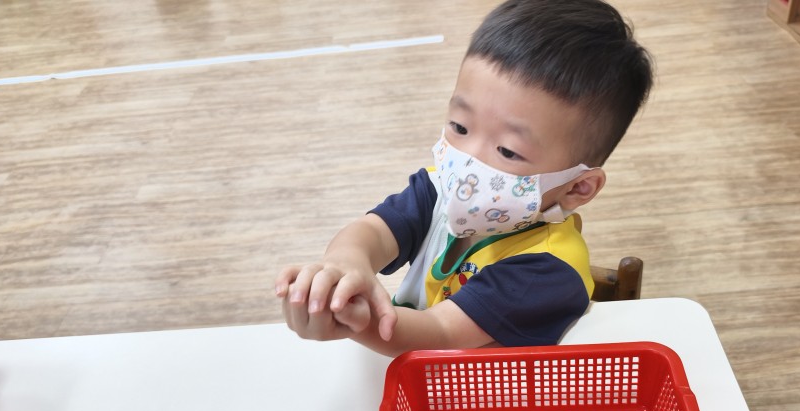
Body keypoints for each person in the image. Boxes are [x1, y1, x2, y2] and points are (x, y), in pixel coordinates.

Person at [275, 0, 653, 357]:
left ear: (577, 187)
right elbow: (373, 231)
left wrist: (353, 319)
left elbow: (439, 335)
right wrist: (345, 264)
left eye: (507, 150)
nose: (468, 161)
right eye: (460, 126)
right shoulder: (438, 191)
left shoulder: (548, 270)